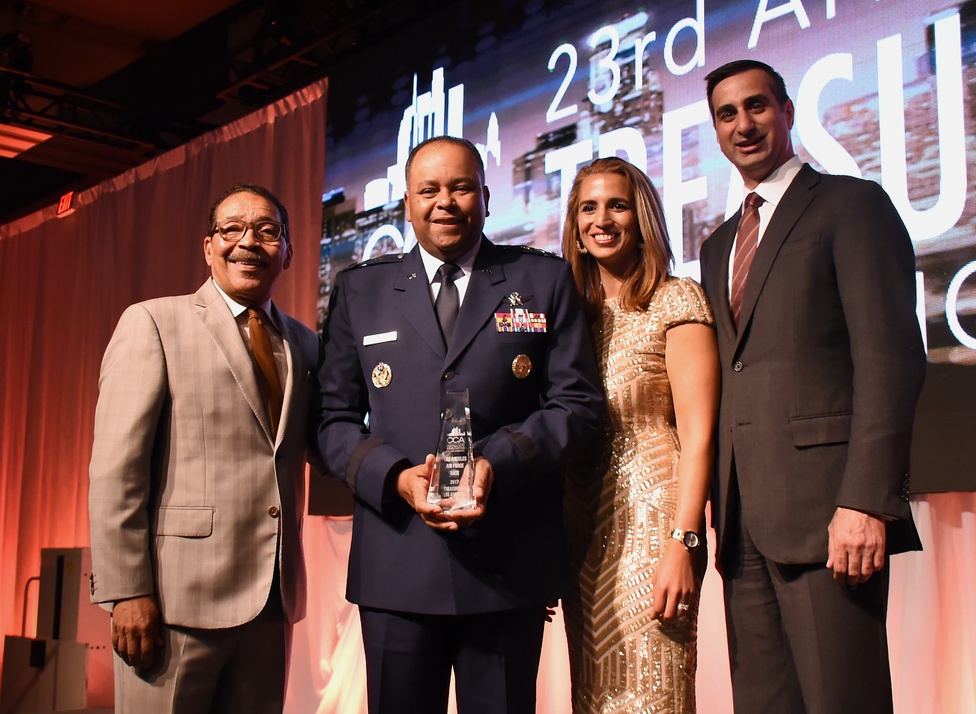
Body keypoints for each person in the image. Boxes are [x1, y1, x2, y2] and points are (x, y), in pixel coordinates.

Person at [314, 135, 604, 714]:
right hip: (398, 564)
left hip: (504, 563)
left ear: (486, 198)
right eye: (429, 190)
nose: (445, 201)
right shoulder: (360, 290)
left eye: (461, 187)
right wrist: (396, 477)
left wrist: (496, 463)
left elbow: (577, 404)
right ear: (407, 204)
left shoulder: (543, 280)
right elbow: (332, 421)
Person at [699, 59, 926, 713]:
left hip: (831, 517)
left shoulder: (851, 206)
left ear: (788, 111)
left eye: (757, 106)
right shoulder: (718, 246)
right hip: (741, 520)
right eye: (727, 113)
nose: (744, 124)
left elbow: (891, 360)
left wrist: (866, 501)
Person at [88, 183, 319, 713]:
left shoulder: (306, 343)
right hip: (172, 604)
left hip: (270, 603)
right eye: (232, 229)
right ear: (208, 246)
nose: (248, 242)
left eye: (267, 231)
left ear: (287, 250)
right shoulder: (153, 322)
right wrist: (127, 590)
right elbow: (116, 472)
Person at [559, 157, 719, 713]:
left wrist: (684, 543)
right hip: (582, 531)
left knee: (654, 694)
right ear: (575, 227)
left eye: (618, 205)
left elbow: (699, 437)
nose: (602, 219)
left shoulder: (676, 299)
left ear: (642, 216)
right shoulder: (567, 318)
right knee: (593, 696)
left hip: (656, 528)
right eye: (589, 207)